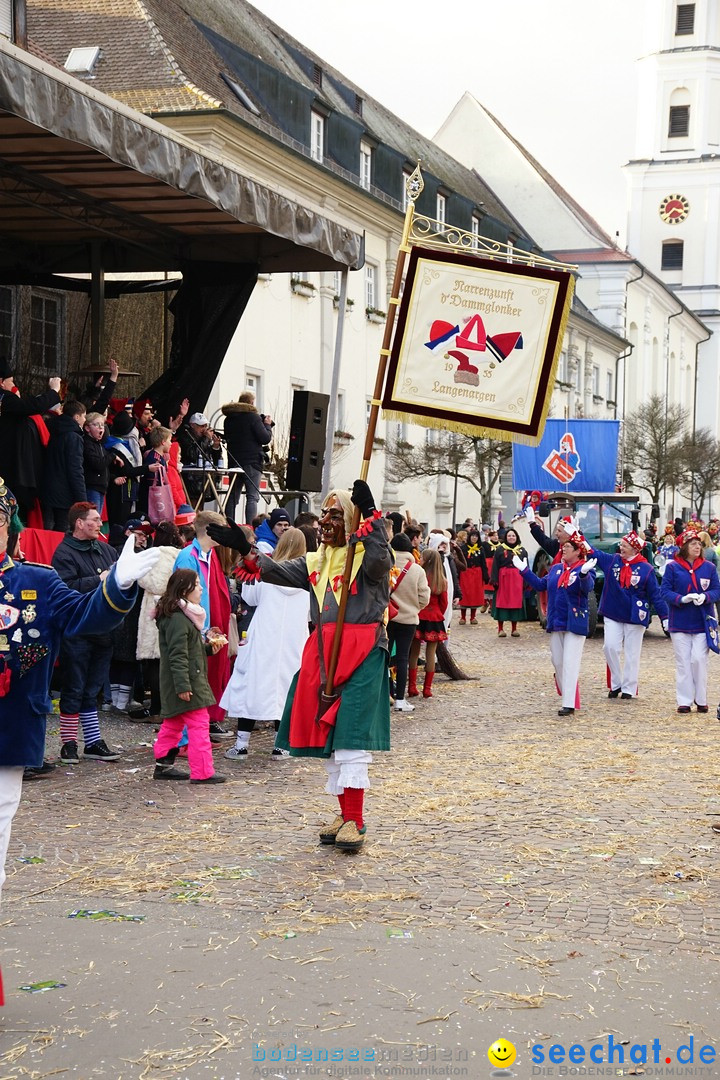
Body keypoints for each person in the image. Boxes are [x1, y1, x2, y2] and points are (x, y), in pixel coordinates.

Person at [206, 480, 393, 853]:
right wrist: (244, 546)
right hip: (324, 652)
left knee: (351, 735)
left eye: (335, 513)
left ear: (352, 520)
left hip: (362, 651)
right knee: (329, 736)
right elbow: (272, 572)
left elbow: (380, 561)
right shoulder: (315, 561)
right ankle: (343, 814)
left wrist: (371, 517)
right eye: (323, 513)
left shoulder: (366, 557)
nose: (325, 520)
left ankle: (356, 818)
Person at [0, 476, 158, 899]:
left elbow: (86, 616)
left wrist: (118, 584)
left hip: (7, 734)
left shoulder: (36, 582)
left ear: (7, 527)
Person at [221, 527, 309, 759]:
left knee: (252, 686)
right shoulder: (308, 579)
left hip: (263, 637)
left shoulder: (267, 573)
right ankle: (281, 745)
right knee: (287, 689)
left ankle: (241, 744)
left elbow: (249, 598)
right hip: (294, 640)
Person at [51, 502, 123, 762]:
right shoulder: (64, 552)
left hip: (105, 630)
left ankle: (92, 742)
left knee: (92, 689)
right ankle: (68, 743)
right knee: (74, 687)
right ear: (79, 523)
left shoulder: (105, 549)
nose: (99, 524)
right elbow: (65, 588)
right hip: (78, 630)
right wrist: (99, 579)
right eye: (94, 520)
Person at [153, 568, 227, 784]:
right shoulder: (178, 618)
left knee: (174, 723)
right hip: (186, 682)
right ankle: (202, 772)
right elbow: (177, 655)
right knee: (199, 723)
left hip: (180, 680)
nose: (201, 588)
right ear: (185, 589)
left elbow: (186, 649)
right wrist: (183, 686)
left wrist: (207, 649)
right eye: (197, 584)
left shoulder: (182, 615)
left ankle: (163, 765)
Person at [515, 533, 597, 716]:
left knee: (570, 662)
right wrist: (524, 570)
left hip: (575, 621)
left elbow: (587, 589)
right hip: (556, 621)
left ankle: (568, 703)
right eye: (564, 546)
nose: (563, 549)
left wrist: (583, 575)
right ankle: (566, 691)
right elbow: (540, 585)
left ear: (577, 552)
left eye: (568, 547)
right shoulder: (556, 569)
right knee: (557, 662)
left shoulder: (584, 568)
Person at [587, 530, 669, 700]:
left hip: (634, 614)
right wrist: (577, 535)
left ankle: (629, 688)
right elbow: (592, 551)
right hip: (613, 611)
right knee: (610, 647)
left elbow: (656, 594)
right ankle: (616, 683)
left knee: (632, 652)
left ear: (634, 549)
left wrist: (665, 617)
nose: (621, 547)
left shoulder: (646, 568)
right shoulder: (613, 560)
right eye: (622, 544)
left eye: (625, 545)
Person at [173, 510, 232, 737]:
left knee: (199, 683)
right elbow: (182, 597)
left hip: (200, 628)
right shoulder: (189, 557)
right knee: (189, 685)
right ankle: (183, 739)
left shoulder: (207, 555)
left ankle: (193, 735)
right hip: (190, 628)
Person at [660, 530, 720, 714]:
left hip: (703, 621)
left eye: (699, 544)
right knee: (683, 661)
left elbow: (717, 590)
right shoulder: (672, 567)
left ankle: (701, 698)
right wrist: (681, 599)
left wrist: (706, 596)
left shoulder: (709, 567)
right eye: (693, 543)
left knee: (699, 659)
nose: (697, 547)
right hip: (680, 622)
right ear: (684, 546)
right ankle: (684, 700)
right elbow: (665, 591)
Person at [131, 520, 185, 721]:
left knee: (154, 663)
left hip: (154, 608)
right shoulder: (181, 555)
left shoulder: (154, 555)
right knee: (169, 662)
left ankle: (156, 708)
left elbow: (152, 582)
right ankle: (167, 707)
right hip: (175, 609)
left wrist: (140, 577)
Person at [0, 361, 61, 520]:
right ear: (1, 382)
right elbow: (32, 405)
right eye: (11, 381)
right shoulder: (4, 399)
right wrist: (54, 391)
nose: (13, 385)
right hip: (8, 469)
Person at [389, 533, 431, 711]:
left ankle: (385, 694)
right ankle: (400, 699)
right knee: (403, 658)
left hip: (388, 618)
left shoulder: (386, 566)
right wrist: (414, 607)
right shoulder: (416, 570)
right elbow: (424, 597)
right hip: (408, 619)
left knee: (384, 657)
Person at [221, 390, 274, 523]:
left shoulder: (228, 419)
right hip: (252, 462)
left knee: (232, 497)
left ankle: (229, 524)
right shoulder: (253, 417)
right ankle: (251, 527)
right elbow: (264, 438)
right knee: (252, 497)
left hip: (234, 462)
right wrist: (267, 425)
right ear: (251, 403)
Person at [408, 547, 448, 700]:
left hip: (419, 615)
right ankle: (427, 689)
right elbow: (444, 603)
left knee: (414, 652)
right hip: (435, 618)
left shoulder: (420, 576)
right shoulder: (441, 580)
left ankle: (412, 686)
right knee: (430, 654)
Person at [42, 399, 87, 532]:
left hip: (48, 487)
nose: (85, 420)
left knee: (47, 528)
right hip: (64, 492)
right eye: (84, 416)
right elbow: (75, 469)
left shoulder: (54, 430)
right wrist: (82, 499)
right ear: (77, 417)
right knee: (62, 529)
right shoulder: (74, 437)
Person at [176, 412, 222, 506]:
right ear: (192, 425)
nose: (204, 429)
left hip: (204, 479)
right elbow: (193, 454)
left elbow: (215, 459)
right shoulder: (186, 437)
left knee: (200, 509)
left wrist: (216, 447)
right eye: (201, 426)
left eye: (206, 426)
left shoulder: (205, 439)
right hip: (191, 480)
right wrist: (206, 438)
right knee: (193, 507)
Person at [490, 526, 528, 637]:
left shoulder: (522, 550)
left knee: (515, 603)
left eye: (513, 536)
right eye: (509, 536)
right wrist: (495, 580)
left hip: (517, 579)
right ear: (506, 537)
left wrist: (527, 581)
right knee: (502, 602)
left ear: (517, 537)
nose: (511, 537)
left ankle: (514, 629)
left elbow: (526, 567)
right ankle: (500, 629)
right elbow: (495, 565)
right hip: (504, 579)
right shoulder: (500, 549)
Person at [458, 527, 489, 624]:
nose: (474, 538)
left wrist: (485, 575)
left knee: (474, 595)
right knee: (465, 594)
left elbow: (483, 563)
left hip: (477, 574)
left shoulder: (480, 549)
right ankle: (463, 617)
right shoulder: (463, 548)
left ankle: (473, 617)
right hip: (465, 573)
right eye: (472, 536)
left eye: (476, 536)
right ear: (469, 537)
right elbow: (459, 561)